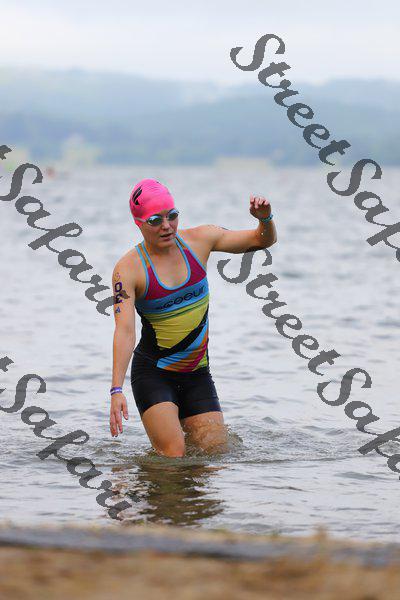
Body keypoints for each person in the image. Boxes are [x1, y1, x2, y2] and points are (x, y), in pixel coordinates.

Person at [109, 178, 277, 457]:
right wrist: (116, 390)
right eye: (155, 220)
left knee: (216, 455)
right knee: (174, 456)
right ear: (138, 223)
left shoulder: (201, 240)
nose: (166, 226)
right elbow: (125, 331)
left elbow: (262, 240)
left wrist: (265, 219)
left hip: (197, 374)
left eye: (172, 216)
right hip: (154, 374)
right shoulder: (128, 269)